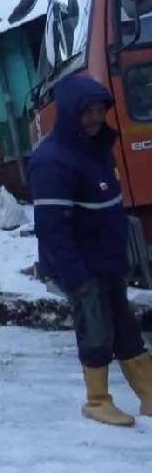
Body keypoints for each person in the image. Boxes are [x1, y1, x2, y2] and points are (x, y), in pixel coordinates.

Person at [27, 75, 151, 427]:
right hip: (82, 266)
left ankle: (150, 392)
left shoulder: (96, 148)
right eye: (87, 111)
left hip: (108, 260)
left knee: (125, 328)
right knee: (96, 331)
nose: (96, 118)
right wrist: (75, 276)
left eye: (99, 110)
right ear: (69, 113)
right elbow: (52, 228)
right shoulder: (52, 161)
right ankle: (97, 400)